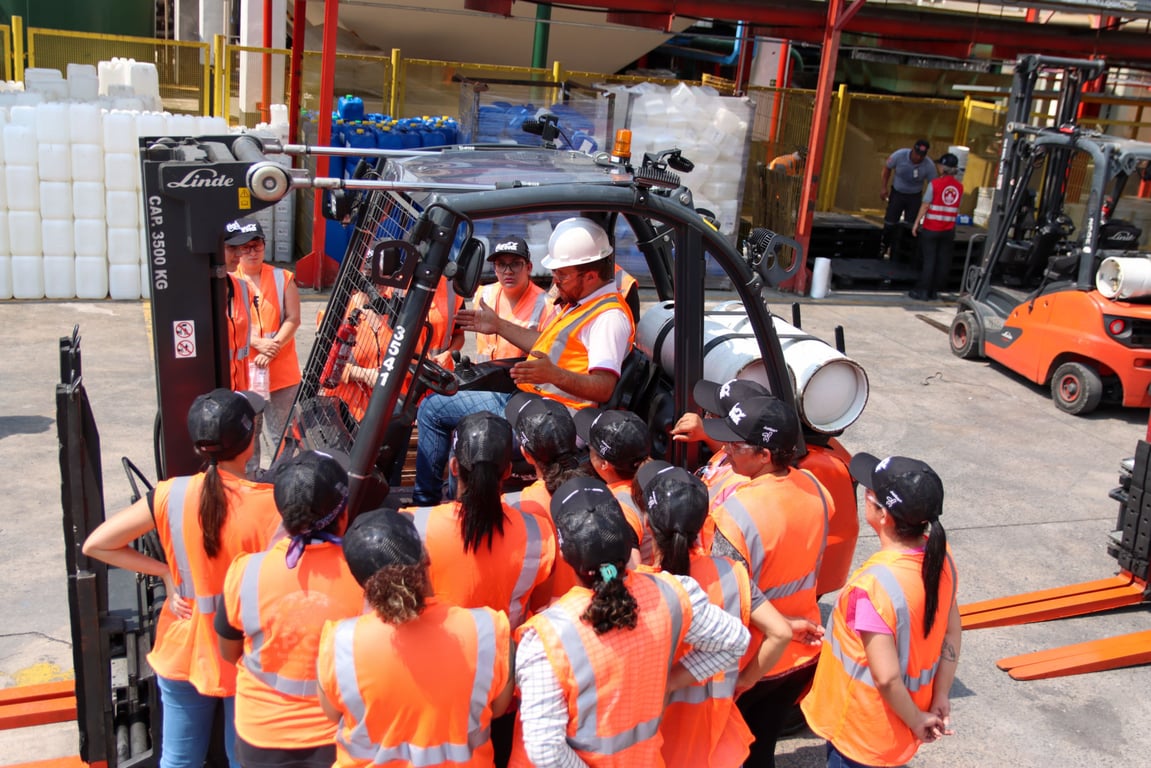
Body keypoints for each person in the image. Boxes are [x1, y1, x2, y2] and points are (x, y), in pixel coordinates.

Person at [82, 389, 280, 768]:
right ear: (249, 443)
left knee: (178, 760)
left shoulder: (171, 495)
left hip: (185, 646)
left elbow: (98, 544)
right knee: (242, 759)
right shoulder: (270, 504)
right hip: (247, 652)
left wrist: (166, 573)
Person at [510, 476, 751, 767]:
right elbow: (735, 640)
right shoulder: (674, 593)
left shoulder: (546, 638)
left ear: (564, 552)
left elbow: (545, 750)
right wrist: (670, 682)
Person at [414, 217, 635, 505]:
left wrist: (553, 374)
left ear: (591, 276)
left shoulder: (608, 318)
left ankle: (457, 514)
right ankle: (428, 502)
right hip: (527, 403)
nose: (555, 281)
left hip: (553, 423)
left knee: (469, 439)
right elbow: (547, 345)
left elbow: (604, 387)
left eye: (563, 275)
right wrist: (498, 325)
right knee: (433, 407)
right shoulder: (580, 304)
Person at [317, 508, 514, 768]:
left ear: (362, 583)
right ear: (426, 557)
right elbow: (499, 708)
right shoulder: (490, 629)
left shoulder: (338, 642)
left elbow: (332, 713)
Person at [636, 461, 801, 768]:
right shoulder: (731, 572)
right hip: (716, 738)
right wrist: (745, 682)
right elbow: (781, 633)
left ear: (648, 523)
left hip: (656, 743)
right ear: (703, 524)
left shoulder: (640, 587)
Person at [802, 454, 961, 768]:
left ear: (883, 514)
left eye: (869, 493)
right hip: (902, 720)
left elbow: (886, 677)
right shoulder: (941, 558)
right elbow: (952, 630)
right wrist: (940, 694)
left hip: (862, 730)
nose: (864, 495)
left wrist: (917, 720)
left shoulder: (874, 588)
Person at [701, 393, 830, 768]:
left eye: (736, 445)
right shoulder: (815, 488)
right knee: (762, 751)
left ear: (764, 455)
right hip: (802, 651)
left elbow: (730, 595)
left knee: (730, 753)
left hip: (753, 659)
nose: (726, 451)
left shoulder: (735, 515)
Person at [217, 451, 365, 768]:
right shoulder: (364, 576)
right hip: (338, 735)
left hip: (260, 734)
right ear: (344, 513)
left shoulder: (246, 572)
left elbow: (229, 651)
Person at [401, 411, 556, 629]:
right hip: (504, 657)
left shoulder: (411, 525)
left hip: (437, 653)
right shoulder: (539, 532)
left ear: (454, 467)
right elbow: (542, 608)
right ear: (508, 472)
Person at [502, 391, 591, 604]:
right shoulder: (600, 493)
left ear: (525, 454)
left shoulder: (514, 506)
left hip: (544, 622)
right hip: (594, 612)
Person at [226, 218, 302, 452]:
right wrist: (258, 343)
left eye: (257, 245)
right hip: (246, 372)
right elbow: (227, 322)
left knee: (285, 433)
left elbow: (293, 318)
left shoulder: (283, 278)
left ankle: (283, 478)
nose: (252, 252)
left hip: (281, 371)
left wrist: (273, 347)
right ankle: (251, 480)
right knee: (249, 434)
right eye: (245, 247)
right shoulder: (229, 280)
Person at [573, 406, 653, 562]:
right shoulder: (657, 479)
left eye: (590, 447)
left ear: (604, 463)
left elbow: (631, 566)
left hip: (648, 584)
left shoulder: (619, 506)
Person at [473, 235, 552, 362]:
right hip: (483, 378)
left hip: (521, 380)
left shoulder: (547, 305)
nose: (508, 271)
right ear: (494, 269)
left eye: (515, 264)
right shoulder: (483, 295)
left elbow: (550, 350)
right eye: (501, 264)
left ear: (529, 267)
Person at [910, 153, 964, 301]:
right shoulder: (959, 187)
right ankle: (934, 291)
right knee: (942, 261)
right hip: (948, 230)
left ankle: (922, 292)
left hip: (932, 228)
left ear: (942, 168)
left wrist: (916, 223)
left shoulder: (935, 184)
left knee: (929, 260)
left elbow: (925, 204)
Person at [880, 139, 937, 258]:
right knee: (890, 222)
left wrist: (929, 202)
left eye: (922, 156)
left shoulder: (928, 165)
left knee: (909, 225)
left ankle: (903, 252)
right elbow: (887, 168)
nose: (919, 158)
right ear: (913, 150)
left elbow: (934, 184)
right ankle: (884, 247)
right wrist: (884, 187)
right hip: (898, 193)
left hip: (914, 196)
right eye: (917, 154)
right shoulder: (899, 155)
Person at [223, 231, 253, 393]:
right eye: (231, 248)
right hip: (212, 395)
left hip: (239, 392)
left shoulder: (242, 288)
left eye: (239, 248)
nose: (239, 254)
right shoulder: (198, 292)